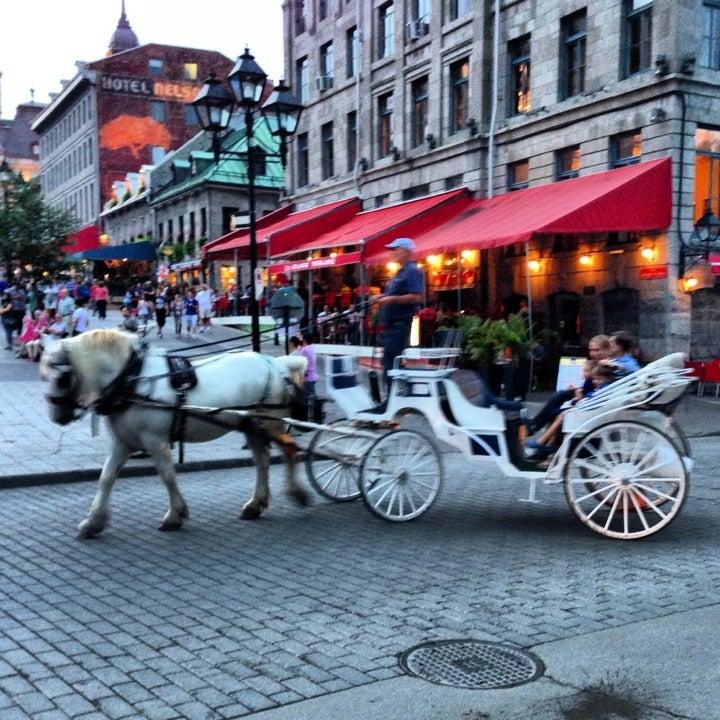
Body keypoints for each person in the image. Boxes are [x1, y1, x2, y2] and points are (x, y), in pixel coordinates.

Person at [526, 335, 613, 435]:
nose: (593, 353)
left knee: (553, 410)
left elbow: (597, 388)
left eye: (597, 350)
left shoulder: (605, 367)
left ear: (607, 350)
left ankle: (537, 429)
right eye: (591, 350)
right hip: (584, 396)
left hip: (588, 401)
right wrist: (578, 389)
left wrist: (582, 396)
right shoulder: (596, 364)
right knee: (560, 395)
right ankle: (535, 426)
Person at [527, 363, 616, 456]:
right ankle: (547, 442)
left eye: (599, 379)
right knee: (558, 415)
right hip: (585, 408)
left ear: (607, 379)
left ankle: (541, 441)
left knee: (559, 416)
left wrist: (579, 398)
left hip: (587, 411)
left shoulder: (602, 390)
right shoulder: (600, 388)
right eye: (594, 379)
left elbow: (590, 397)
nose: (595, 382)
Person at [371, 237, 424, 384]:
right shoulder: (399, 272)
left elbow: (416, 297)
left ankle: (392, 401)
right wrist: (382, 296)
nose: (392, 252)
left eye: (395, 249)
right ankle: (390, 399)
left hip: (399, 325)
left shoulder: (413, 271)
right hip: (391, 326)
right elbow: (396, 294)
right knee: (388, 363)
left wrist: (390, 300)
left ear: (406, 251)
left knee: (393, 363)